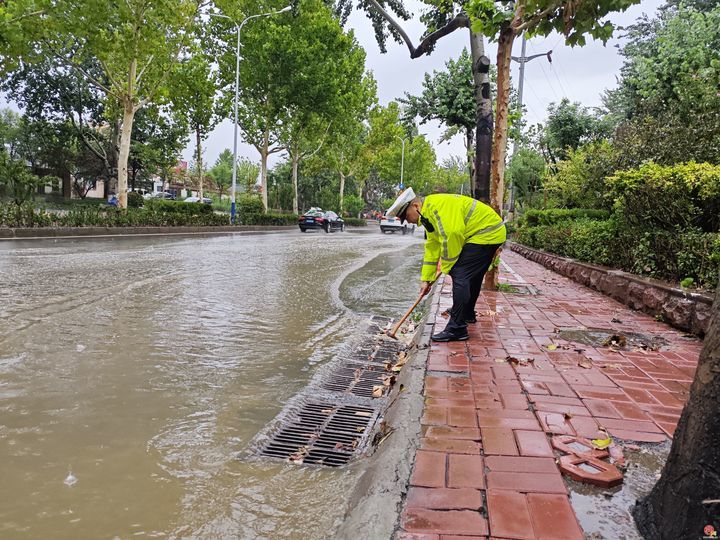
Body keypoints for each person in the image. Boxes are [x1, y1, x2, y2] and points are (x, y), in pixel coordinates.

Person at [386, 188, 506, 342]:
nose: (407, 221)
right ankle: (467, 313)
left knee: (460, 273)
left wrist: (448, 268)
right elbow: (432, 247)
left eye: (406, 216)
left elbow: (452, 237)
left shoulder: (437, 209)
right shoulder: (428, 214)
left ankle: (457, 328)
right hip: (486, 232)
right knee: (472, 277)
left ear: (416, 206)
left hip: (487, 233)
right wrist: (426, 279)